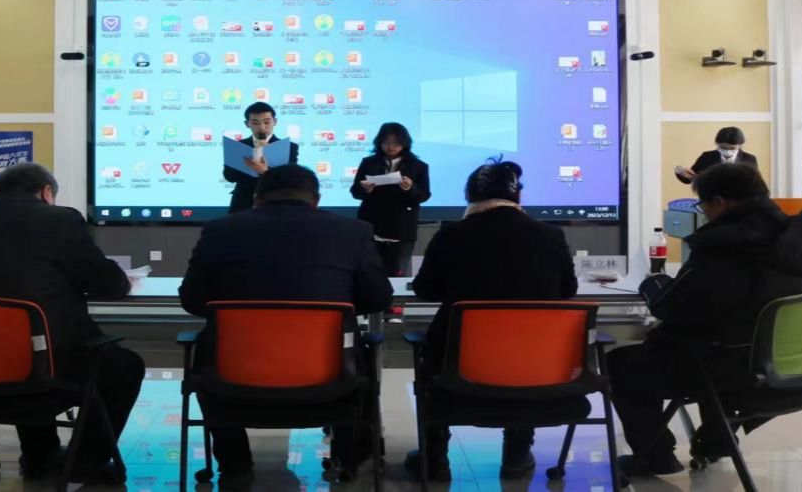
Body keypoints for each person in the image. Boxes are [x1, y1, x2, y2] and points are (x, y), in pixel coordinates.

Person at [609, 163, 802, 479]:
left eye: (703, 206)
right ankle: (715, 442)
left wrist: (653, 284)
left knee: (623, 364)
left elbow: (676, 308)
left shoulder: (722, 246)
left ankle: (655, 457)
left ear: (719, 202)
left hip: (738, 372)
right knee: (723, 338)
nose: (704, 214)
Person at [180, 164, 393, 489]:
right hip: (332, 382)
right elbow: (378, 297)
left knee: (209, 348)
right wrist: (334, 308)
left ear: (257, 198)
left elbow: (193, 300)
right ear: (316, 199)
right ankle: (352, 460)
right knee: (356, 349)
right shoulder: (353, 231)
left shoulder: (219, 230)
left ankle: (235, 465)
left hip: (231, 383)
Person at [0, 163, 144, 482]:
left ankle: (40, 455)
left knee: (26, 344)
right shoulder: (61, 220)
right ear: (46, 192)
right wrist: (123, 282)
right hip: (38, 362)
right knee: (123, 366)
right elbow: (109, 284)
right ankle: (85, 461)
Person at [405, 158, 578, 481]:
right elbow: (567, 291)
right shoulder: (550, 235)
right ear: (518, 195)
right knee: (524, 347)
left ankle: (435, 458)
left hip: (460, 364)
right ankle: (516, 454)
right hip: (535, 364)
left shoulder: (451, 234)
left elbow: (427, 289)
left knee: (433, 348)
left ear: (469, 196)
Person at [350, 122, 431, 276]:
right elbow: (355, 192)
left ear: (405, 143)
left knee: (398, 275)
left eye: (396, 142)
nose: (391, 146)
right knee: (367, 274)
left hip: (401, 228)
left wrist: (410, 187)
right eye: (386, 142)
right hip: (371, 225)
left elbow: (424, 195)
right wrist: (365, 189)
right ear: (379, 142)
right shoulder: (369, 162)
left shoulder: (418, 166)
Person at [222, 101, 299, 213]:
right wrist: (249, 166)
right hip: (242, 203)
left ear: (275, 121)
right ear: (247, 124)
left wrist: (265, 171)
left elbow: (290, 178)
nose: (262, 127)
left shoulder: (289, 147)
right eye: (255, 123)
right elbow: (229, 176)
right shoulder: (238, 146)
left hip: (276, 203)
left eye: (267, 122)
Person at [674, 126, 759, 183]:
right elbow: (691, 178)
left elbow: (754, 184)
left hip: (739, 201)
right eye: (723, 147)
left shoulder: (749, 159)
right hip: (711, 200)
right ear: (717, 144)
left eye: (732, 148)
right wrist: (681, 172)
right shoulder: (706, 157)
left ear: (740, 145)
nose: (727, 151)